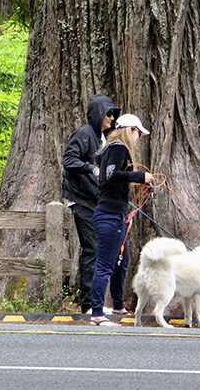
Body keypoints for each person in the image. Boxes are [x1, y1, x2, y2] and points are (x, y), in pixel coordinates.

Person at [89, 113, 154, 326]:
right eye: (139, 133)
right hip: (109, 217)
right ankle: (97, 313)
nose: (140, 138)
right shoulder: (119, 148)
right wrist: (139, 177)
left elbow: (109, 178)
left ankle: (118, 306)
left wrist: (127, 212)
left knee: (121, 261)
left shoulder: (110, 148)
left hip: (116, 214)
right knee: (105, 265)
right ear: (131, 130)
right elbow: (111, 175)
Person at [61, 94, 120, 314]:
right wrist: (91, 169)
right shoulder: (85, 134)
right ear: (98, 114)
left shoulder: (101, 138)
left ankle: (95, 302)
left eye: (114, 114)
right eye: (108, 113)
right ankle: (88, 304)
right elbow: (69, 160)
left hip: (95, 202)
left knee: (98, 250)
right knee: (92, 249)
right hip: (81, 201)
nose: (112, 118)